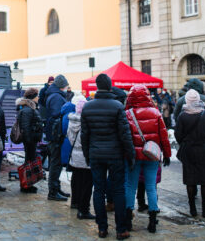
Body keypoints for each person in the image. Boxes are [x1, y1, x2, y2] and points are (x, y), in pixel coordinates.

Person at [81, 74, 134, 240]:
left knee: (99, 190)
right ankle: (121, 229)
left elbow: (85, 135)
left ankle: (102, 228)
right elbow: (125, 134)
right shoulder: (117, 106)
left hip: (96, 153)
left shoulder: (88, 107)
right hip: (115, 154)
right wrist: (130, 154)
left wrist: (87, 155)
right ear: (110, 86)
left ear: (97, 86)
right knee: (118, 191)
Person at [124, 85, 172, 233]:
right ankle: (152, 221)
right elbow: (163, 135)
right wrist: (167, 154)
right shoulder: (155, 113)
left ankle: (128, 220)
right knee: (151, 187)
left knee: (131, 186)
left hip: (134, 156)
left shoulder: (127, 114)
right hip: (151, 155)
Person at [175, 89, 205, 218]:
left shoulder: (182, 116)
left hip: (189, 149)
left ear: (187, 101)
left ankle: (192, 209)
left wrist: (185, 142)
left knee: (190, 180)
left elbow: (178, 135)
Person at [67, 95, 95, 220]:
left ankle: (75, 201)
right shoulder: (86, 122)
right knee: (87, 182)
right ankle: (84, 209)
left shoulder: (71, 120)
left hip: (75, 154)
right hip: (85, 155)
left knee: (76, 178)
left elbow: (69, 137)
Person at [45, 74, 70, 201]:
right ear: (61, 86)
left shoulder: (55, 95)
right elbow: (56, 116)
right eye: (66, 86)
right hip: (56, 136)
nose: (67, 88)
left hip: (54, 135)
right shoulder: (56, 97)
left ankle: (56, 188)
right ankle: (53, 192)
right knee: (55, 164)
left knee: (56, 164)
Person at [16, 87, 43, 193]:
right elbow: (26, 127)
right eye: (37, 96)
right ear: (33, 97)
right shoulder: (28, 109)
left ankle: (29, 184)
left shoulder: (30, 108)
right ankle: (26, 186)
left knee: (30, 161)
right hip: (30, 140)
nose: (38, 97)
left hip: (32, 139)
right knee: (29, 161)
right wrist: (29, 140)